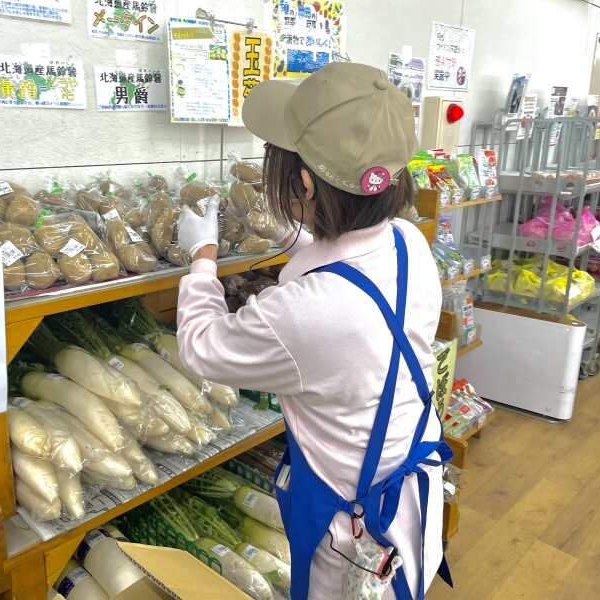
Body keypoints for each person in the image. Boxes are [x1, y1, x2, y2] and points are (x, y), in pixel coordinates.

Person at [175, 62, 451, 600]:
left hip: (351, 527)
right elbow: (349, 267)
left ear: (302, 180)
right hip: (411, 490)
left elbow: (201, 346)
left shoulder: (301, 313)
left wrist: (202, 256)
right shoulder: (407, 240)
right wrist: (290, 229)